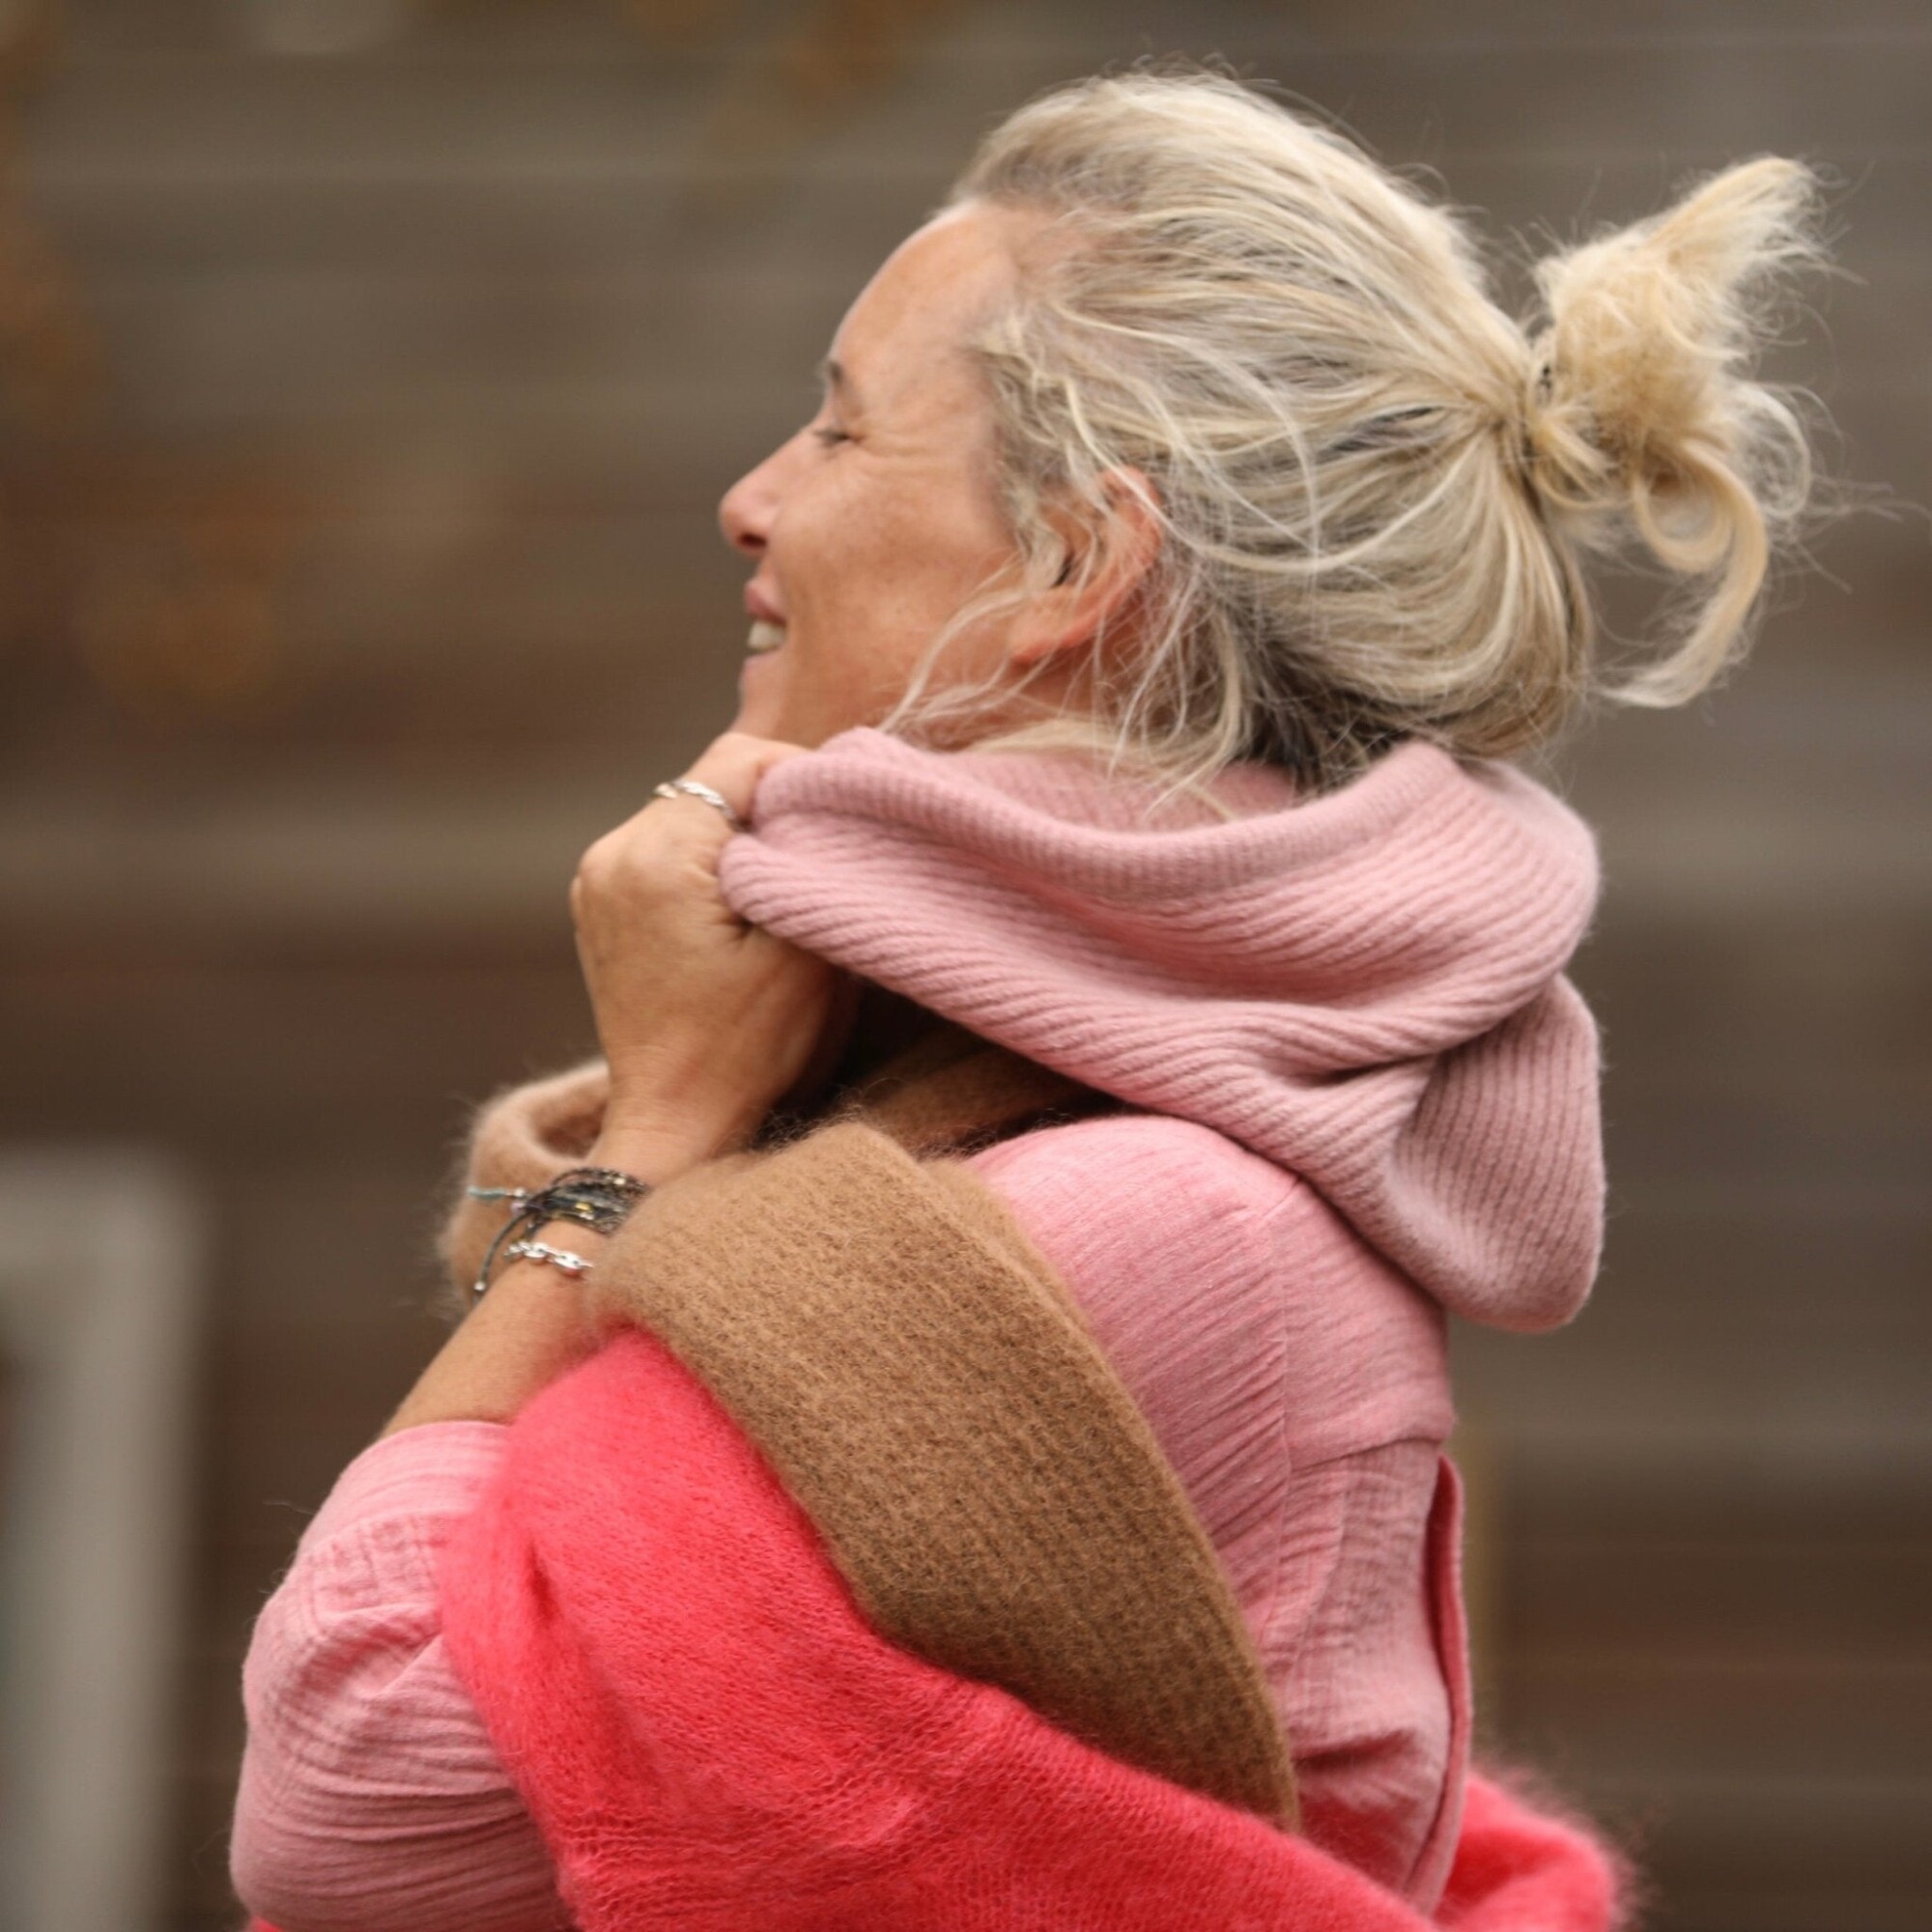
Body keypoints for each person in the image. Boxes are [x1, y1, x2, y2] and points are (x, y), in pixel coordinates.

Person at [229, 60, 1825, 1932]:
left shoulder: (1132, 1228)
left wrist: (649, 1137)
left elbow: (353, 1799)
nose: (748, 499)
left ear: (1078, 563)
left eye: (839, 430)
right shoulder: (1097, 1165)